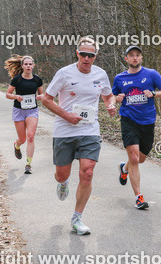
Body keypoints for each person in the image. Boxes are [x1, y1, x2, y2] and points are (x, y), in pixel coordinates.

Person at [40, 37, 118, 235]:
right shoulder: (64, 73)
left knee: (88, 172)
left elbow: (108, 95)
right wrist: (66, 115)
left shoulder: (100, 74)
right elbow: (46, 100)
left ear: (95, 56)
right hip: (64, 131)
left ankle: (77, 218)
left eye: (90, 55)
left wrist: (110, 105)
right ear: (77, 54)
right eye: (83, 54)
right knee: (62, 174)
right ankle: (63, 183)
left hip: (89, 129)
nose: (86, 58)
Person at [112, 45, 161, 209]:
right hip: (129, 120)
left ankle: (124, 168)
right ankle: (139, 197)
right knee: (135, 158)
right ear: (126, 59)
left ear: (141, 58)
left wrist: (154, 94)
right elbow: (112, 97)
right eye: (131, 55)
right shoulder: (120, 78)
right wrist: (118, 98)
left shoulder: (151, 74)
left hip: (147, 121)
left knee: (141, 158)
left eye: (138, 55)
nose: (135, 58)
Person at [5, 55, 43, 175]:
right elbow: (8, 94)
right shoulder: (17, 79)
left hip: (32, 110)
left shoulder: (37, 80)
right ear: (22, 66)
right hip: (19, 110)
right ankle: (17, 146)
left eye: (30, 64)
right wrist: (16, 96)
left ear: (33, 66)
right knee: (22, 139)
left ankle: (28, 164)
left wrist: (39, 97)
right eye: (26, 64)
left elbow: (42, 95)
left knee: (30, 136)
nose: (28, 66)